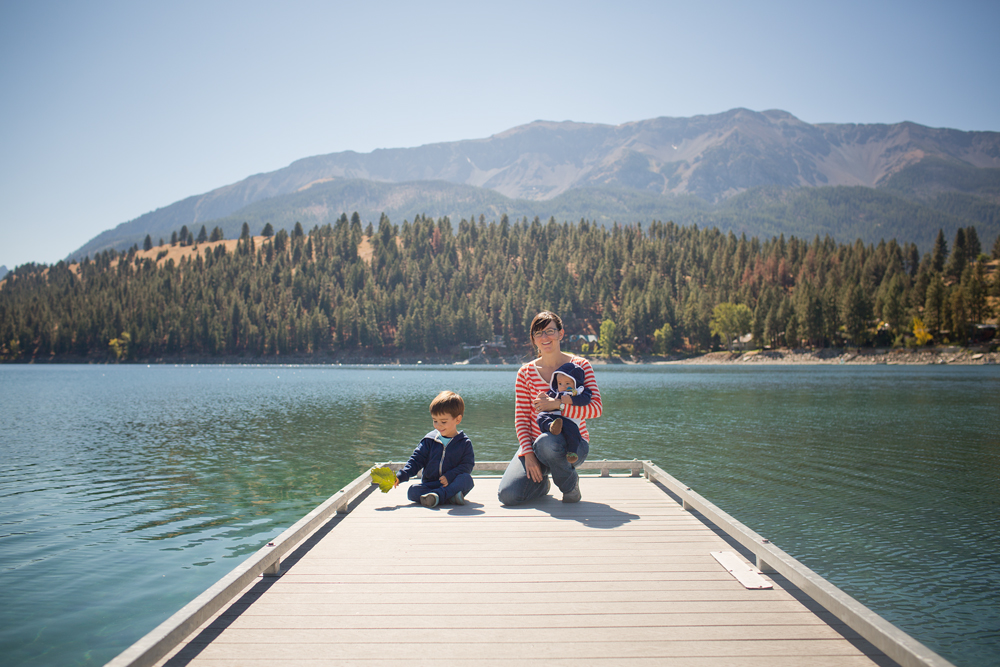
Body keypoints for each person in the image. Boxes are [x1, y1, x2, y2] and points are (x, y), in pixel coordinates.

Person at [498, 311, 602, 506]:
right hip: (535, 447)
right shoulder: (525, 373)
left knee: (547, 441)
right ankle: (542, 484)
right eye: (538, 333)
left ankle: (570, 487)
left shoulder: (580, 366)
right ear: (533, 339)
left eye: (550, 331)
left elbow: (595, 408)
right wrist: (528, 454)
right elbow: (521, 419)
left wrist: (558, 405)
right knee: (507, 495)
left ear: (561, 333)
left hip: (573, 446)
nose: (544, 337)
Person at [394, 391, 475, 508]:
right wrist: (400, 476)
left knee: (467, 480)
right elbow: (416, 460)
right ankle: (449, 497)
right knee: (412, 491)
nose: (438, 425)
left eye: (443, 422)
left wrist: (450, 476)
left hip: (451, 483)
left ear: (457, 419)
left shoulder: (464, 443)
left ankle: (437, 496)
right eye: (435, 420)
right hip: (431, 484)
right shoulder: (429, 440)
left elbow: (467, 466)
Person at [535, 361, 592, 464]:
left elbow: (586, 400)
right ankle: (551, 427)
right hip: (554, 417)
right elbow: (547, 400)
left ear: (576, 382)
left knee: (573, 433)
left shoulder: (580, 391)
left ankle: (572, 452)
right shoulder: (556, 392)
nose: (563, 386)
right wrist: (542, 397)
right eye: (560, 383)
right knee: (541, 416)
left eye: (567, 383)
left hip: (569, 420)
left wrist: (572, 400)